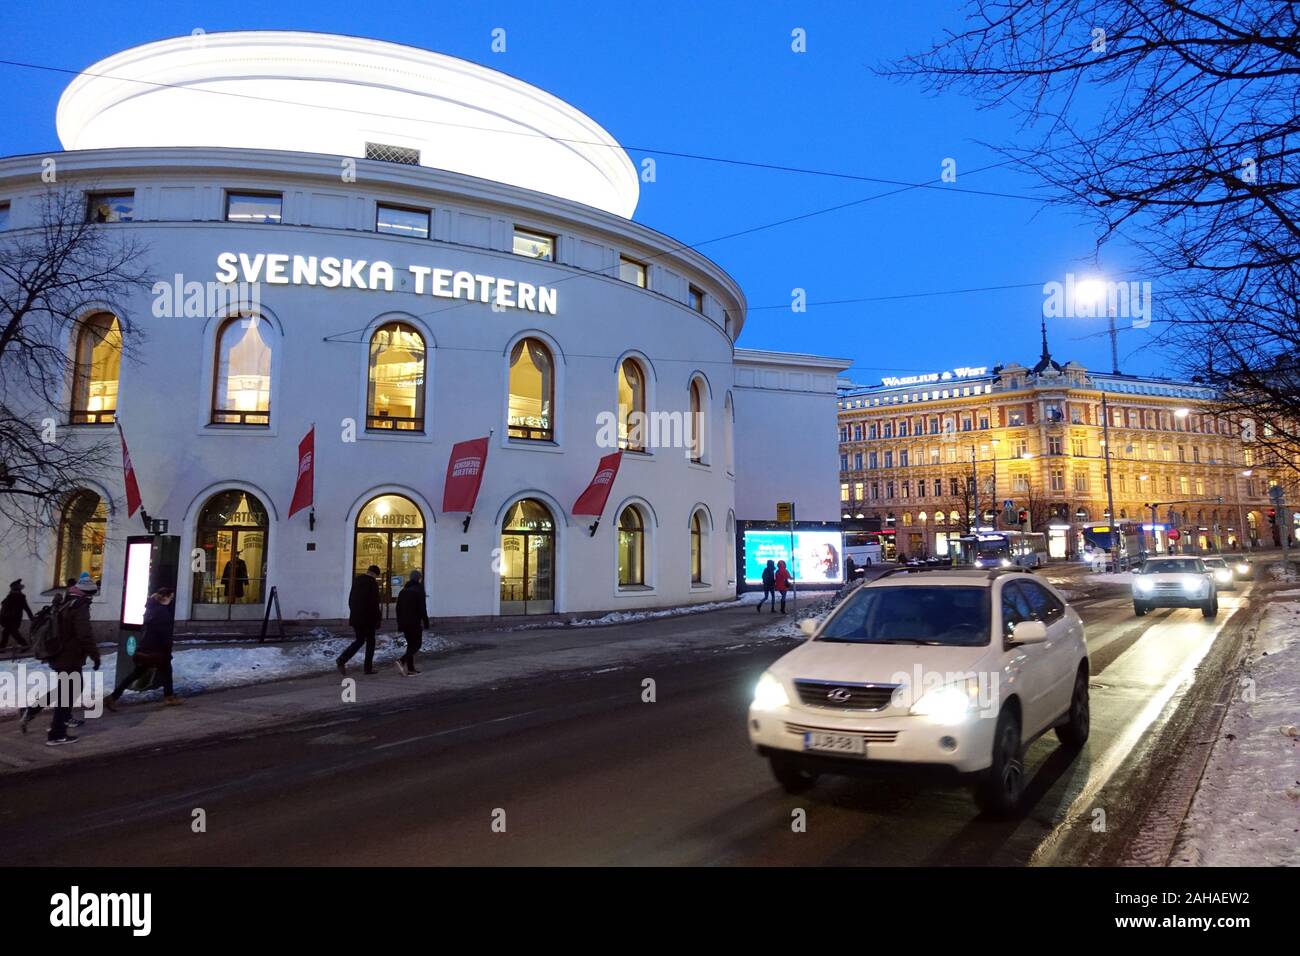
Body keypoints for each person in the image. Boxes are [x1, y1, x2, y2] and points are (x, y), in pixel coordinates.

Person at [27, 574, 101, 745]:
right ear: (87, 594)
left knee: (65, 690)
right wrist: (95, 656)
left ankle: (36, 712)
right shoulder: (79, 606)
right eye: (91, 595)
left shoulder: (65, 602)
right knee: (68, 692)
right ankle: (56, 733)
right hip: (69, 657)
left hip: (59, 655)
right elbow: (85, 635)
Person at [106, 588, 180, 709]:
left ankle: (113, 697)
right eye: (171, 598)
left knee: (137, 674)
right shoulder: (162, 611)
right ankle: (169, 697)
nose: (171, 600)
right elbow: (164, 633)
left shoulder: (151, 608)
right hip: (157, 649)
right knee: (166, 671)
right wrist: (167, 649)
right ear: (165, 597)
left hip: (146, 647)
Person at [337, 565, 382, 675]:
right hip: (368, 619)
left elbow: (351, 600)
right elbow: (374, 604)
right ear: (374, 574)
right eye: (376, 576)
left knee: (359, 640)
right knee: (370, 642)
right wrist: (377, 619)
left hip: (356, 618)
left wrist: (354, 613)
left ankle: (342, 659)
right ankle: (368, 668)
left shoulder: (357, 581)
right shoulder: (372, 584)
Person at [394, 570, 429, 676]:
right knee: (417, 644)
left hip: (404, 623)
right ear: (419, 578)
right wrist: (426, 621)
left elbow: (398, 608)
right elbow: (422, 608)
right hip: (414, 622)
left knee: (410, 645)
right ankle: (402, 660)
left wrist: (399, 623)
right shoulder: (419, 590)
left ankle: (410, 669)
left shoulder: (403, 591)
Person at [1, 579, 34, 655]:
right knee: (6, 632)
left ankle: (24, 646)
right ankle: (2, 648)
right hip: (9, 619)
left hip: (13, 620)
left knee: (13, 633)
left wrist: (32, 618)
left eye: (12, 589)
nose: (11, 590)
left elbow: (26, 608)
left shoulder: (19, 598)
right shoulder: (12, 597)